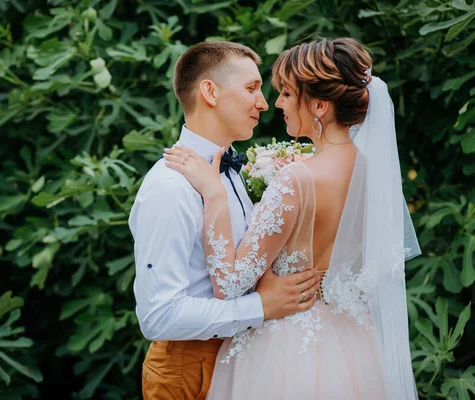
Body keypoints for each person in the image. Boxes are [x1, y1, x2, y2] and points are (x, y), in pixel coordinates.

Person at [164, 37, 421, 399]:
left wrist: (215, 196)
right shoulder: (374, 174)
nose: (277, 103)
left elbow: (229, 284)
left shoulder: (297, 179)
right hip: (353, 347)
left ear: (318, 105)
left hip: (285, 351)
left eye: (286, 93)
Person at [129, 41, 321, 400]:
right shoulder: (170, 188)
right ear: (210, 92)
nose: (264, 103)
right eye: (251, 88)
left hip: (244, 360)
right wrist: (260, 307)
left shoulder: (232, 171)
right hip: (190, 368)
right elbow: (158, 315)